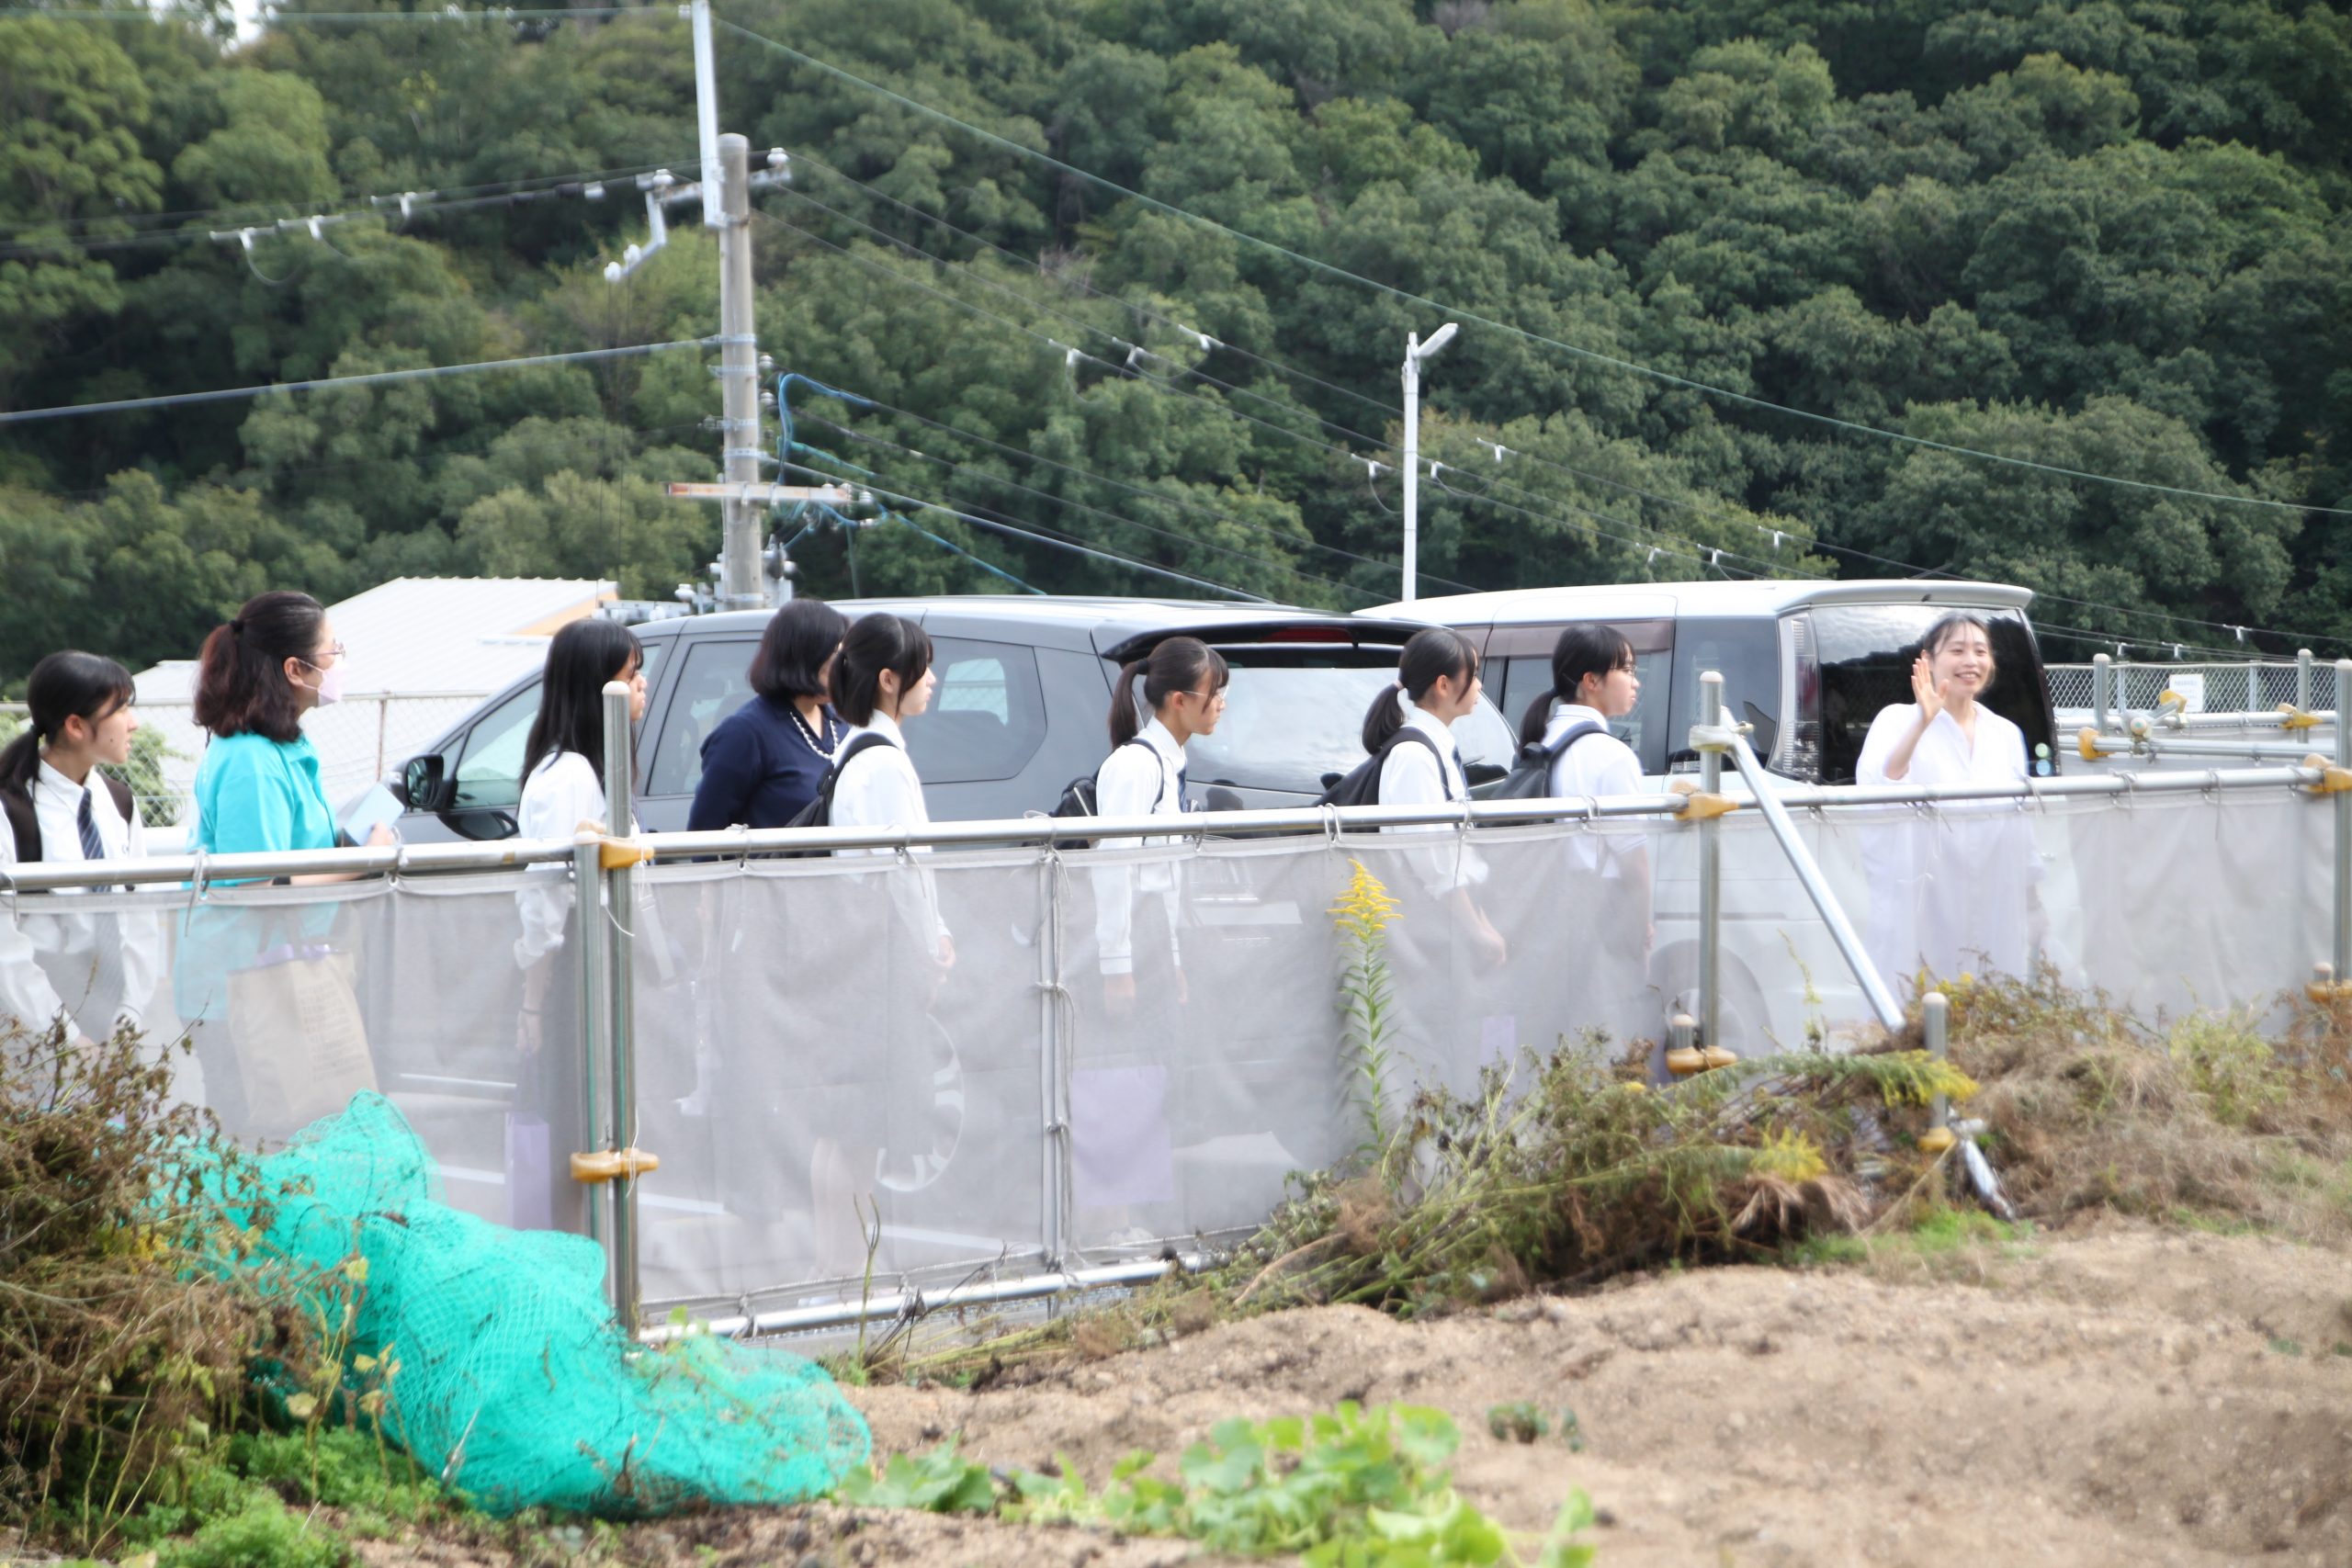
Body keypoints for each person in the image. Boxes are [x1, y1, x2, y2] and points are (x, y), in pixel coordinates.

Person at [176, 590, 392, 1135]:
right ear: (295, 669)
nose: (339, 663)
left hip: (273, 973)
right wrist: (365, 861)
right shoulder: (251, 759)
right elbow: (261, 885)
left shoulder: (281, 748)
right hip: (241, 989)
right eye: (332, 651)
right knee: (259, 1142)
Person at [808, 613, 954, 1270]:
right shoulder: (886, 760)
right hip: (881, 953)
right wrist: (933, 945)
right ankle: (848, 1276)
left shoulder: (851, 749)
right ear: (890, 679)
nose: (933, 680)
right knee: (862, 1129)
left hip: (850, 950)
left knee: (841, 1127)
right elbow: (909, 871)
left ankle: (833, 1266)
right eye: (923, 669)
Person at [510, 616, 649, 1230]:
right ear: (597, 687)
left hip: (599, 965)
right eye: (630, 674)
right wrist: (534, 1003)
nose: (641, 686)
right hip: (573, 972)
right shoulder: (566, 776)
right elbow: (544, 905)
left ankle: (597, 1258)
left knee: (600, 1126)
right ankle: (575, 1258)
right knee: (575, 1130)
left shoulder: (593, 769)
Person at [1855, 612, 2041, 987]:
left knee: (1992, 991)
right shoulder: (1896, 720)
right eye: (1957, 651)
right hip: (1924, 898)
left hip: (1992, 897)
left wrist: (2034, 901)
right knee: (1917, 992)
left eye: (1980, 651)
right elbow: (1883, 786)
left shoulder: (2005, 733)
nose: (1971, 661)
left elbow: (2020, 827)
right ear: (1928, 660)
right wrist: (1923, 721)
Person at [0, 651, 162, 1045]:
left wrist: (128, 1016)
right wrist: (64, 1036)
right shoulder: (12, 810)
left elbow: (141, 918)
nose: (133, 723)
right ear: (75, 725)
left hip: (114, 1021)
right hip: (33, 1027)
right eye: (120, 710)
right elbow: (6, 946)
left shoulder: (119, 802)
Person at [1521, 625, 1656, 1059]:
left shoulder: (1542, 743)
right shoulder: (1611, 756)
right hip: (1602, 912)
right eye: (1626, 670)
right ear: (1591, 681)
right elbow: (1634, 865)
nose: (1635, 682)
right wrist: (1642, 930)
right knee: (1606, 1041)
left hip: (1546, 912)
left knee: (1556, 1041)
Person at [1092, 636, 1227, 1016]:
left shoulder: (1170, 762)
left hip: (1153, 938)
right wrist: (1116, 968)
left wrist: (1174, 959)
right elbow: (1113, 869)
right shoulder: (1136, 765)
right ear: (1179, 700)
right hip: (1135, 938)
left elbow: (1164, 880)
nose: (1221, 704)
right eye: (1214, 693)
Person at [1363, 627, 1506, 972]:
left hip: (1443, 920)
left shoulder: (1432, 746)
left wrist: (1481, 922)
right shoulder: (1415, 755)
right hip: (1429, 928)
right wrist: (1476, 930)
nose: (1479, 686)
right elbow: (1434, 863)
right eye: (1473, 675)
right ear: (1443, 685)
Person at [687, 597, 850, 832]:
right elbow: (704, 833)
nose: (844, 666)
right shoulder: (745, 733)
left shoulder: (840, 723)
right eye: (836, 653)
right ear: (807, 655)